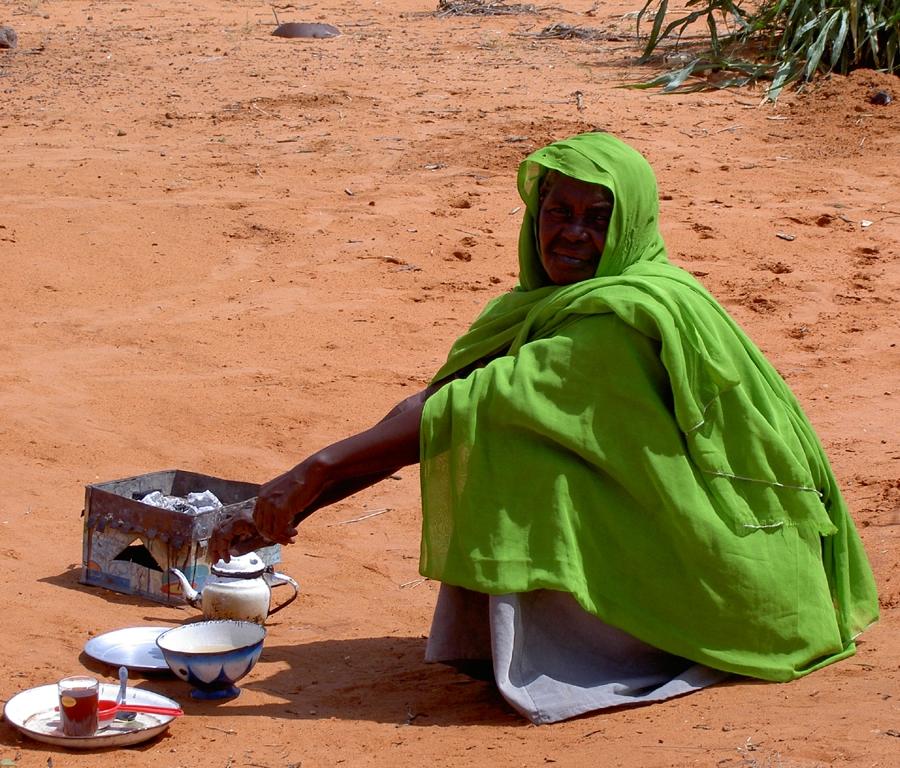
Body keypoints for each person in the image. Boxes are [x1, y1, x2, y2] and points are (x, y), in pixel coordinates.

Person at [209, 132, 879, 724]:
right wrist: (287, 506)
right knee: (501, 418)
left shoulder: (616, 323)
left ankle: (590, 653)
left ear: (632, 224)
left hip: (730, 589)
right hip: (684, 538)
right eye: (557, 213)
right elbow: (435, 409)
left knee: (511, 438)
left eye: (598, 217)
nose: (573, 235)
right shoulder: (555, 307)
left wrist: (311, 473)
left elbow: (459, 415)